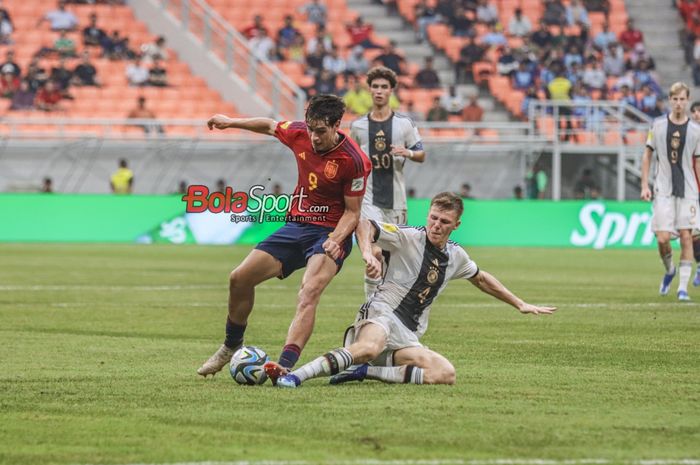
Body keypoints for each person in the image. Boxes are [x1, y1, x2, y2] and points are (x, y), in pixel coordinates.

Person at [272, 192, 556, 388]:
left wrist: (519, 303)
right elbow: (365, 224)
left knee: (445, 374)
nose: (436, 225)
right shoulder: (408, 237)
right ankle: (296, 376)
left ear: (456, 225)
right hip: (381, 314)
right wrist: (369, 253)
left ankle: (365, 371)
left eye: (444, 222)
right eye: (433, 217)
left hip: (407, 336)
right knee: (369, 346)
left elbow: (481, 279)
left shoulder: (456, 257)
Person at [198, 95, 372, 379]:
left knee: (308, 291)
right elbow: (269, 125)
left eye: (320, 131)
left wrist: (336, 238)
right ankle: (231, 346)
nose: (313, 137)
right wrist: (231, 122)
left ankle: (286, 366)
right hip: (297, 226)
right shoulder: (300, 133)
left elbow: (353, 212)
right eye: (311, 129)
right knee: (239, 278)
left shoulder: (354, 161)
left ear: (337, 125)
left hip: (330, 232)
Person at [349, 67, 425, 299]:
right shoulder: (358, 126)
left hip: (396, 200)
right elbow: (350, 158)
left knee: (394, 260)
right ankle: (370, 306)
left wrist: (407, 153)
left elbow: (421, 154)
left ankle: (388, 305)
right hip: (369, 199)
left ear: (391, 91)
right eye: (375, 87)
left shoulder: (404, 123)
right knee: (375, 252)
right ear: (370, 90)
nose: (379, 91)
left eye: (384, 87)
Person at [640, 82, 700, 300]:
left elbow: (698, 163)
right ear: (670, 100)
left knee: (686, 236)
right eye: (675, 99)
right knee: (663, 238)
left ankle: (682, 288)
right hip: (663, 190)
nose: (678, 103)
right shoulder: (657, 126)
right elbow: (647, 155)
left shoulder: (696, 130)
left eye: (682, 99)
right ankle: (670, 270)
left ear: (686, 100)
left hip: (688, 190)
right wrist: (644, 184)